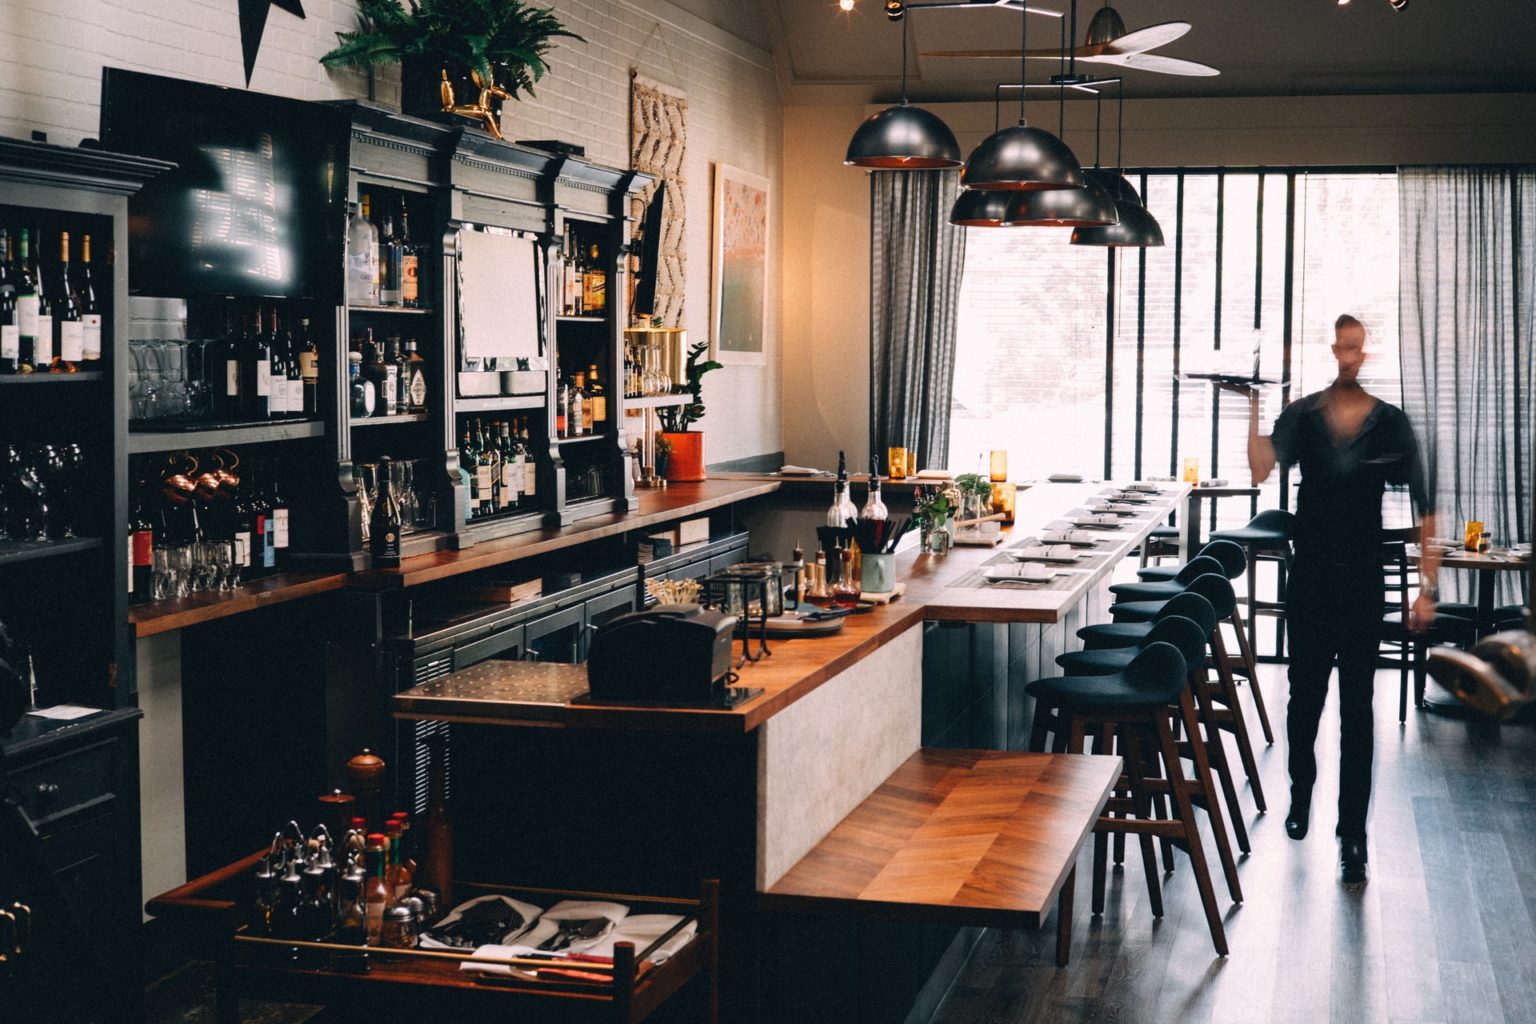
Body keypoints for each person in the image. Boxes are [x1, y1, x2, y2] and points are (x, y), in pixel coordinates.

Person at [1239, 313, 1440, 885]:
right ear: (1334, 349)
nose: (1350, 354)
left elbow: (1426, 507)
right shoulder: (1302, 414)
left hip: (1362, 586)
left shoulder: (1390, 423)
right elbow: (1259, 469)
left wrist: (1426, 590)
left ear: (1363, 352)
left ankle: (1354, 836)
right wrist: (1255, 401)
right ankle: (1301, 794)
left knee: (1358, 711)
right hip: (1310, 582)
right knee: (1304, 703)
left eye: (1358, 346)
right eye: (1343, 345)